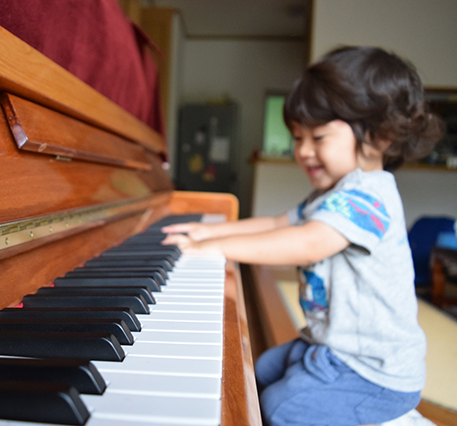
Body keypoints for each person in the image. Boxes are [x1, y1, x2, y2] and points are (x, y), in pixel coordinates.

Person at [162, 46, 444, 426]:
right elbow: (279, 223)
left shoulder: (370, 197)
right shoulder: (332, 194)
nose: (303, 152)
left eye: (319, 137)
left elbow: (309, 241)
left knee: (280, 408)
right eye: (297, 138)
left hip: (373, 372)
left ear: (380, 136)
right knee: (259, 370)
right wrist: (211, 230)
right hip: (329, 346)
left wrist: (210, 248)